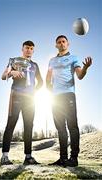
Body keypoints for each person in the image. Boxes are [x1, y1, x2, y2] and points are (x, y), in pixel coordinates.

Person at [46, 35, 92, 167]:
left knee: (72, 126)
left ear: (68, 44)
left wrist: (85, 68)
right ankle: (63, 158)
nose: (61, 44)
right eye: (59, 42)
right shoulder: (52, 60)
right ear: (56, 45)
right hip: (56, 98)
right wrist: (51, 91)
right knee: (60, 128)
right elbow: (48, 78)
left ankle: (74, 158)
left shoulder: (74, 58)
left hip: (68, 95)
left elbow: (80, 75)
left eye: (63, 42)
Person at [1, 40, 43, 165]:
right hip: (16, 95)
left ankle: (28, 157)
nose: (28, 50)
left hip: (30, 99)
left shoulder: (35, 65)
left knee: (29, 125)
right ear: (22, 49)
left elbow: (40, 82)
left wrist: (33, 92)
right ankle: (4, 156)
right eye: (26, 48)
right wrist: (11, 72)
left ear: (33, 50)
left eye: (31, 48)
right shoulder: (14, 61)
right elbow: (3, 76)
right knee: (11, 123)